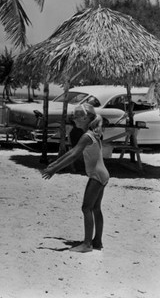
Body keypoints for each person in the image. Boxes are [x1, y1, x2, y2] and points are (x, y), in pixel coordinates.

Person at [42, 103, 109, 253]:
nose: (74, 120)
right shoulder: (93, 133)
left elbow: (73, 155)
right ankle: (97, 241)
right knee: (96, 208)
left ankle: (87, 244)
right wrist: (55, 163)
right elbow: (72, 151)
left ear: (85, 118)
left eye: (76, 117)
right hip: (103, 174)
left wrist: (54, 170)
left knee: (86, 208)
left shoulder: (86, 136)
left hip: (96, 175)